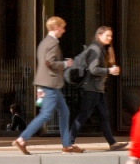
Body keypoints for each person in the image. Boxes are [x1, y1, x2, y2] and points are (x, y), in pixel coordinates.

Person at [13, 16, 82, 154]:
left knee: (64, 112)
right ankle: (22, 139)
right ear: (56, 27)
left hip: (48, 83)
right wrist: (65, 64)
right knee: (45, 114)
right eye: (62, 27)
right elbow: (49, 62)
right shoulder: (53, 43)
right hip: (51, 83)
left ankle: (67, 145)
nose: (64, 30)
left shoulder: (44, 42)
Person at [70, 25, 126, 152]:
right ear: (99, 35)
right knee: (84, 115)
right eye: (107, 35)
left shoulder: (100, 49)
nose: (109, 38)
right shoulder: (95, 49)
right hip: (91, 88)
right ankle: (69, 142)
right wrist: (109, 70)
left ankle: (112, 143)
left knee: (104, 115)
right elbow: (93, 69)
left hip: (97, 89)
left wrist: (110, 71)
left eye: (110, 36)